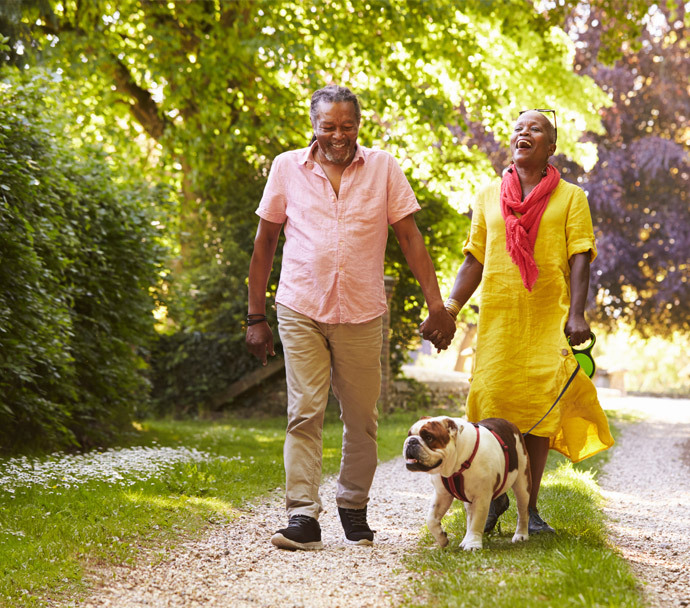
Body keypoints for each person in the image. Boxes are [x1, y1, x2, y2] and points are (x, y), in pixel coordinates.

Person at [246, 84, 456, 551]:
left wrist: (436, 304)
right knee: (304, 413)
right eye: (328, 127)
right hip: (300, 306)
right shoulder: (286, 168)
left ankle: (353, 505)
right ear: (314, 127)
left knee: (362, 418)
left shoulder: (383, 167)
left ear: (359, 125)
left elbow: (409, 237)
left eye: (347, 126)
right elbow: (264, 243)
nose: (338, 136)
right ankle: (302, 516)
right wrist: (254, 316)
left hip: (361, 313)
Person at [423, 109, 614, 534]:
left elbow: (580, 256)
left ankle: (532, 507)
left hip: (548, 318)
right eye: (518, 128)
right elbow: (475, 257)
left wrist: (577, 314)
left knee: (537, 415)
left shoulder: (571, 198)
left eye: (536, 129)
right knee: (491, 403)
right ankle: (492, 498)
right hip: (499, 320)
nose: (523, 132)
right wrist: (450, 309)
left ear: (551, 147)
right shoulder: (489, 194)